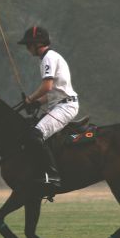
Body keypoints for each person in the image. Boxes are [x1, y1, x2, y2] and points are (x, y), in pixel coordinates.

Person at [18, 26, 79, 189]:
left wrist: (30, 99)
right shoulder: (50, 57)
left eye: (28, 44)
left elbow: (46, 86)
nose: (27, 48)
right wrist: (37, 103)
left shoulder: (48, 58)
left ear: (37, 43)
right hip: (60, 104)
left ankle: (52, 176)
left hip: (65, 106)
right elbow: (52, 91)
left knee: (35, 135)